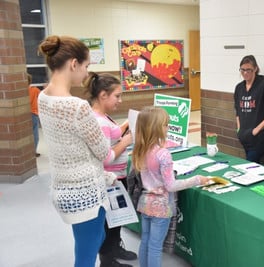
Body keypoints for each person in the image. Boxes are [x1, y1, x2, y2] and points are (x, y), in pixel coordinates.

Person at [37, 35, 117, 267]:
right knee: (86, 256)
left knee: (89, 244)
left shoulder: (43, 97)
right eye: (86, 66)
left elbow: (70, 142)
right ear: (73, 64)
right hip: (85, 193)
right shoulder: (77, 106)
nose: (85, 74)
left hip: (64, 188)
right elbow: (103, 151)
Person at [132, 106, 209, 267]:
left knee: (145, 240)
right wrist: (196, 179)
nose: (168, 128)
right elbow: (171, 185)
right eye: (166, 125)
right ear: (156, 128)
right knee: (155, 247)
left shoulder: (140, 149)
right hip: (161, 207)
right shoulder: (163, 154)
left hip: (144, 203)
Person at [84, 72, 137, 267]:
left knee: (116, 220)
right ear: (103, 95)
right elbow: (105, 158)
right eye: (117, 96)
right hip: (110, 179)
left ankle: (115, 248)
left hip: (117, 177)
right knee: (108, 222)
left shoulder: (102, 116)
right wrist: (126, 141)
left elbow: (112, 133)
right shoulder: (98, 122)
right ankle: (107, 260)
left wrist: (126, 125)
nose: (120, 101)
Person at [234, 55, 264, 164]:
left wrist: (257, 130)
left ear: (255, 69)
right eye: (242, 70)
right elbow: (237, 109)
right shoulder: (239, 88)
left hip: (261, 137)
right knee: (252, 166)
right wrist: (239, 129)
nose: (245, 73)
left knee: (250, 165)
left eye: (248, 70)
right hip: (246, 136)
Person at [27, 73, 41, 157]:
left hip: (24, 115)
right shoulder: (35, 90)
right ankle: (33, 152)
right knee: (35, 134)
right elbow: (43, 96)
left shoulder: (20, 91)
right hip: (34, 114)